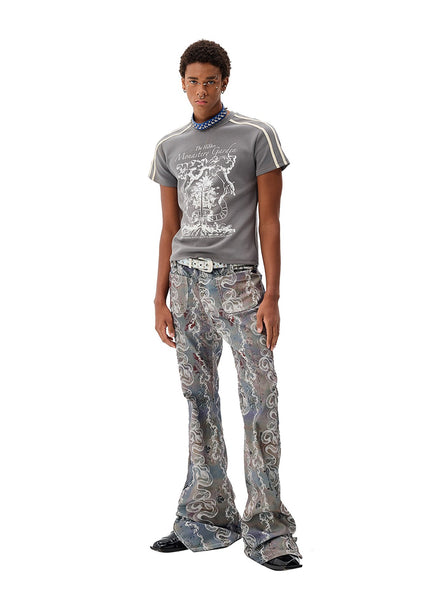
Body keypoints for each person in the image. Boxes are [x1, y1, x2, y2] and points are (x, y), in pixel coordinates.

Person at [147, 39, 302, 571]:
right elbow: (169, 228)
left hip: (239, 287)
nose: (201, 90)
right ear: (182, 83)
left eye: (210, 80)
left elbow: (270, 222)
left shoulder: (256, 135)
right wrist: (159, 296)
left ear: (225, 82)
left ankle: (269, 530)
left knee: (259, 400)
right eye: (192, 81)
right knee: (198, 399)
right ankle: (204, 517)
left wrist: (272, 295)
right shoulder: (169, 146)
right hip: (186, 285)